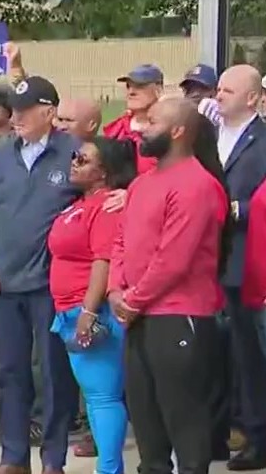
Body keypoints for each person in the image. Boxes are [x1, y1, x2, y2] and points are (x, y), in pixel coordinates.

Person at [107, 97, 227, 474]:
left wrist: (133, 299)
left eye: (152, 121)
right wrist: (114, 290)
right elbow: (121, 240)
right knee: (146, 424)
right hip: (138, 316)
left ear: (177, 131)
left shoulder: (197, 185)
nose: (140, 127)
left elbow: (174, 258)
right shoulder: (143, 184)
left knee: (185, 424)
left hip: (179, 317)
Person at [0, 76, 80, 474]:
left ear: (49, 113)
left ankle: (53, 458)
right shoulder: (1, 157)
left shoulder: (74, 154)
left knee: (54, 374)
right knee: (11, 373)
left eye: (23, 111)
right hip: (7, 284)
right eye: (12, 110)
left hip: (53, 287)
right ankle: (14, 457)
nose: (14, 118)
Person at [47, 137, 137, 474]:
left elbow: (105, 260)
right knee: (97, 396)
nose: (74, 162)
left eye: (83, 159)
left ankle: (109, 469)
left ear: (104, 172)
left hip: (92, 313)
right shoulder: (79, 203)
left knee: (103, 397)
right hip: (68, 310)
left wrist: (88, 309)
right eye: (74, 156)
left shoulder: (106, 206)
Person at [214, 64, 266, 471]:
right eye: (218, 89)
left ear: (252, 97)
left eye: (228, 90)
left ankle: (257, 438)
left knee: (251, 355)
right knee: (219, 355)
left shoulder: (263, 140)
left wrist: (238, 208)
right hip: (208, 263)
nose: (219, 96)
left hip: (250, 263)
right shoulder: (208, 137)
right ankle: (220, 430)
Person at [103, 64, 164, 174]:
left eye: (139, 86)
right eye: (128, 86)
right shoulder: (116, 129)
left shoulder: (169, 131)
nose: (131, 92)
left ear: (158, 89)